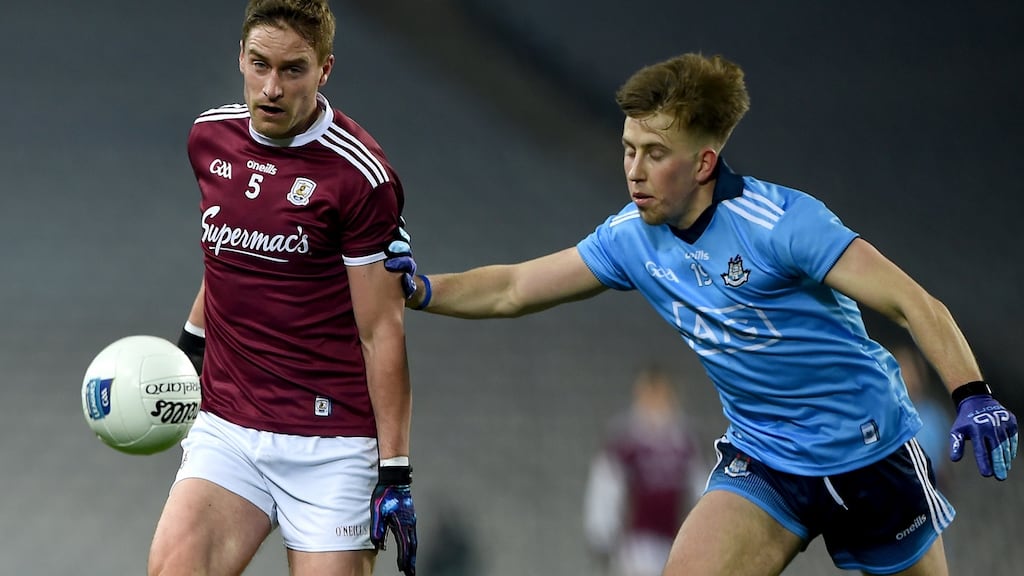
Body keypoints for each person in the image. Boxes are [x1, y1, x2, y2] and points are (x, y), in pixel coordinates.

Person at [387, 53, 1018, 575]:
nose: (634, 171)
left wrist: (973, 393)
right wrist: (422, 290)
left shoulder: (783, 224)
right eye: (628, 149)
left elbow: (913, 303)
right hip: (766, 459)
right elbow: (515, 288)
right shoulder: (630, 238)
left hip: (869, 453)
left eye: (654, 153)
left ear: (704, 163)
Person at [149, 2, 417, 575]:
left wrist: (396, 469)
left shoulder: (359, 176)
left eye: (293, 69)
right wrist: (190, 346)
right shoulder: (209, 138)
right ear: (240, 59)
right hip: (228, 426)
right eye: (260, 65)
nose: (271, 88)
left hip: (330, 444)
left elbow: (381, 329)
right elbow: (232, 257)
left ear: (324, 70)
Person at [583, 367, 705, 576]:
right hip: (636, 544)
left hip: (676, 540)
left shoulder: (685, 441)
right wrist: (601, 531)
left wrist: (703, 531)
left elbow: (702, 487)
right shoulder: (625, 440)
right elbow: (605, 487)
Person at [891, 342, 956, 490]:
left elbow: (945, 470)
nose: (906, 378)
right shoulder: (882, 418)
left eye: (909, 371)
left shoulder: (935, 417)